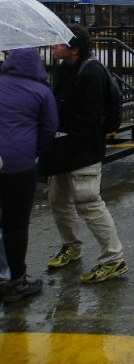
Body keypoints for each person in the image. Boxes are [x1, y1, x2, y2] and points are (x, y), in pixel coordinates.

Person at [41, 24, 128, 284]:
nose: (54, 46)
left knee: (88, 201)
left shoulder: (91, 72)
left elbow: (90, 118)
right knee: (58, 200)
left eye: (59, 42)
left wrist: (62, 131)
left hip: (83, 150)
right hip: (62, 149)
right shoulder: (65, 68)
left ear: (75, 48)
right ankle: (71, 245)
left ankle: (113, 259)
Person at [0, 48, 58, 302]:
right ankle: (17, 279)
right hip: (20, 165)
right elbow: (49, 129)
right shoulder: (41, 91)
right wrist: (31, 151)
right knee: (15, 224)